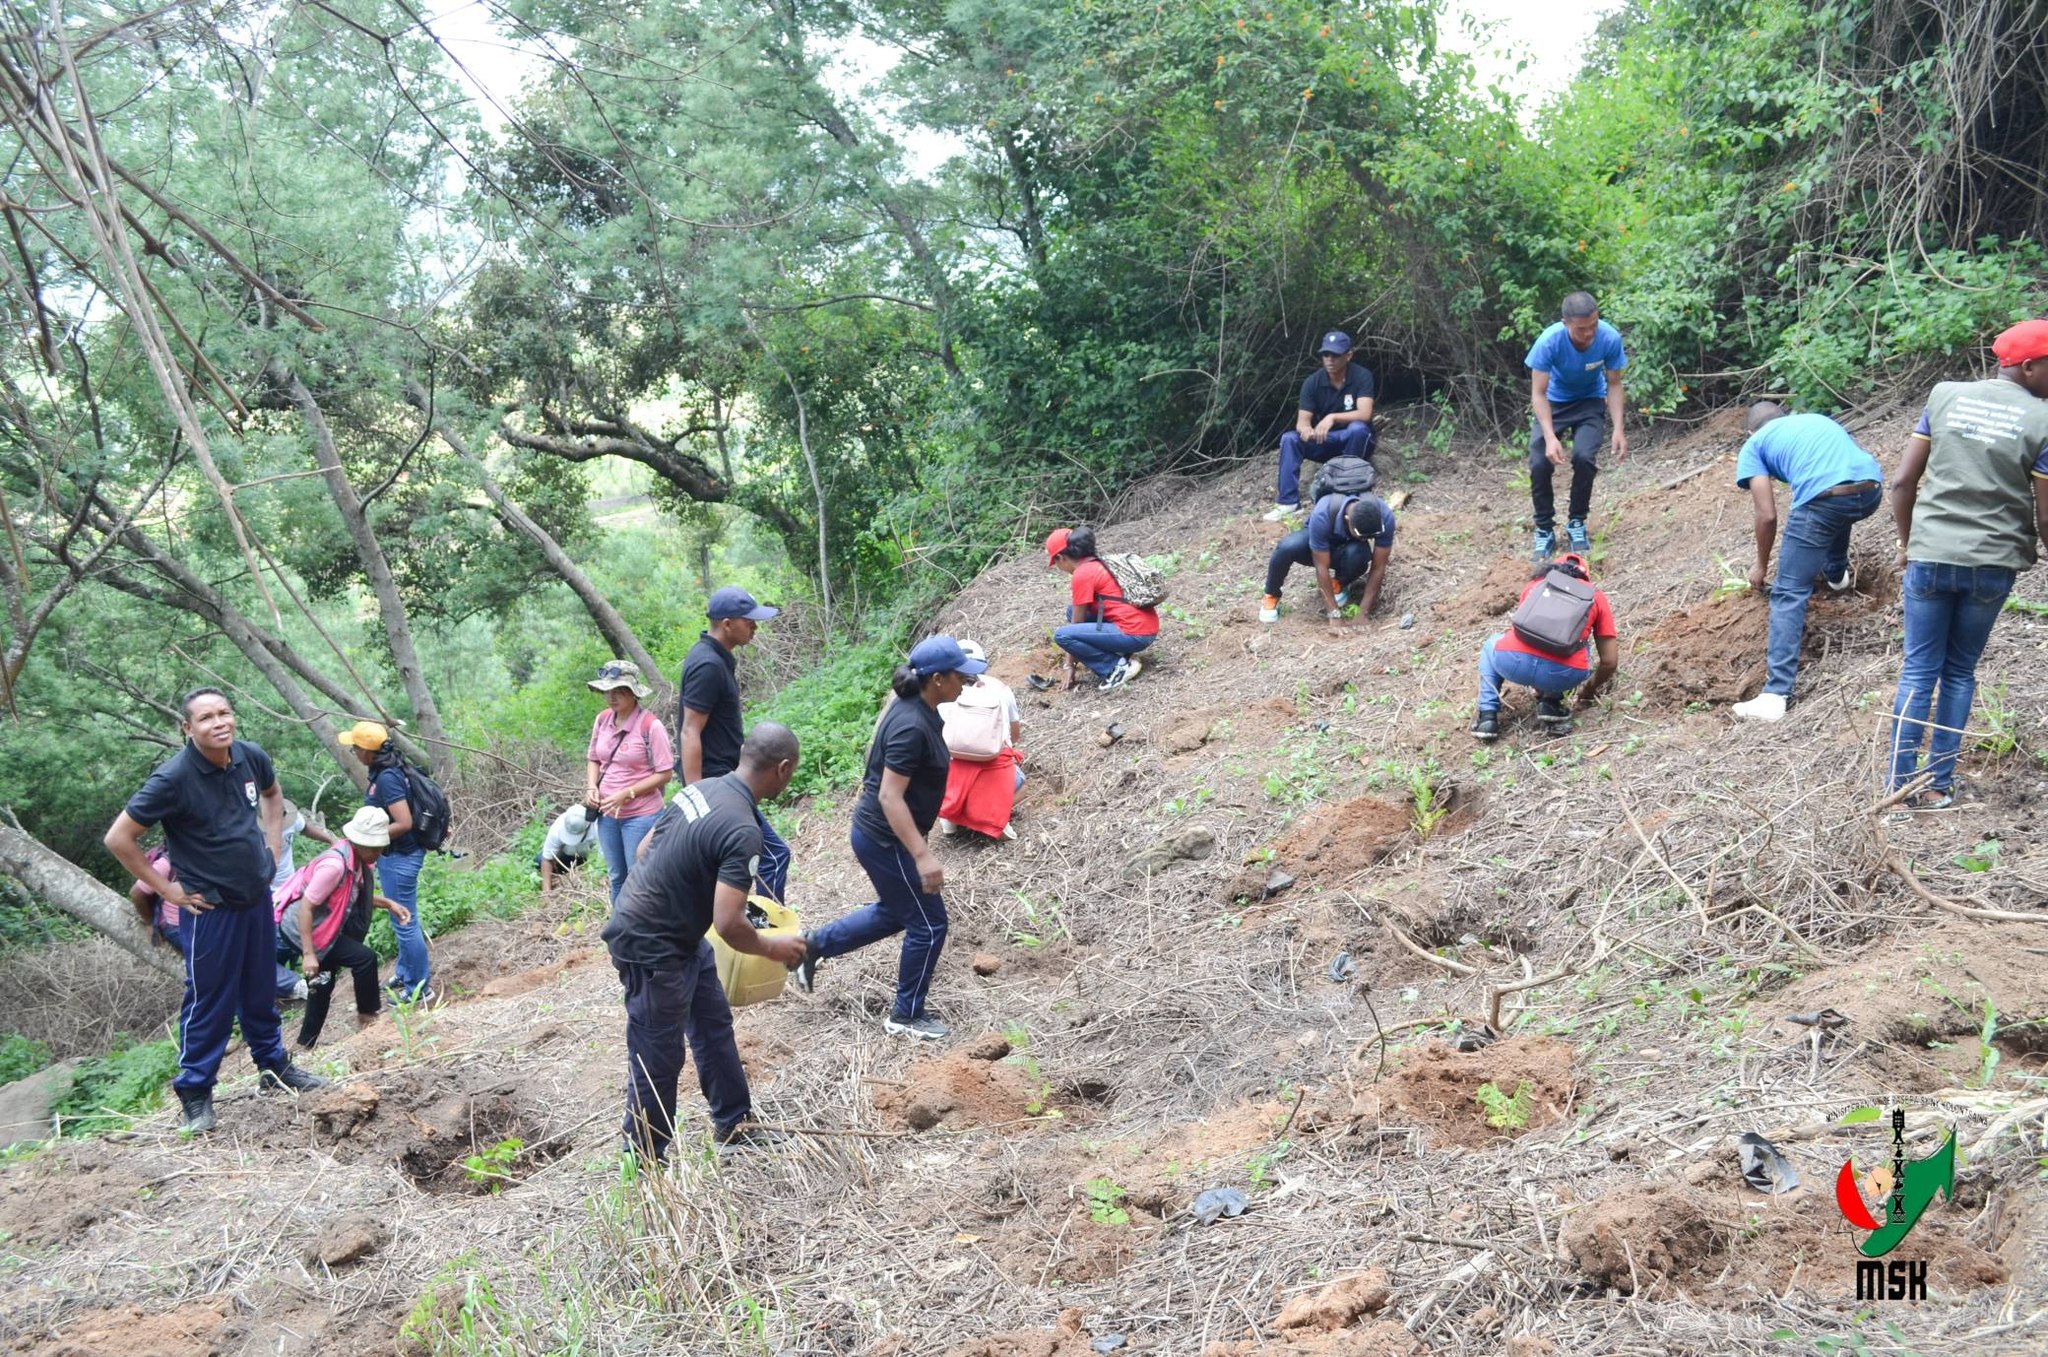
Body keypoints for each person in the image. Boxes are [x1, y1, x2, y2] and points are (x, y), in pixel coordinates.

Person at [103, 687, 329, 1134]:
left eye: (224, 712)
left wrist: (272, 843)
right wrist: (166, 890)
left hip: (254, 898)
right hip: (210, 909)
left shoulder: (249, 756)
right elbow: (118, 839)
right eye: (206, 718)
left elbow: (273, 794)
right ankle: (195, 1090)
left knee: (261, 988)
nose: (219, 722)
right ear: (188, 729)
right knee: (210, 1000)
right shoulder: (173, 779)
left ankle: (274, 1067)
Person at [601, 724, 806, 1161]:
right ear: (783, 769)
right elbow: (729, 923)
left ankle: (734, 1124)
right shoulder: (743, 829)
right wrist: (775, 948)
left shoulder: (701, 788)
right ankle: (641, 1162)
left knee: (712, 1025)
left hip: (679, 937)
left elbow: (644, 853)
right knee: (658, 1054)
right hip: (651, 946)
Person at [1885, 319, 2048, 811]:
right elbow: (2045, 513)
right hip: (1991, 564)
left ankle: (1897, 786)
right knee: (1958, 672)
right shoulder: (2043, 421)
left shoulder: (1944, 396)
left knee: (1917, 671)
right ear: (2029, 367)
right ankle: (1938, 785)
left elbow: (1901, 484)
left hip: (1930, 554)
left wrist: (1909, 543)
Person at [795, 636, 985, 1040]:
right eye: (960, 677)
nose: (965, 684)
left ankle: (812, 946)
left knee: (899, 912)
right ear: (937, 679)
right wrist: (922, 854)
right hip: (887, 840)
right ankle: (906, 1014)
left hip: (882, 835)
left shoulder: (920, 708)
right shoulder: (911, 724)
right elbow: (889, 795)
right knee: (930, 925)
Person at [1729, 405, 1884, 722]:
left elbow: (1767, 514)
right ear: (1786, 415)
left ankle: (1775, 695)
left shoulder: (1754, 445)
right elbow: (1846, 463)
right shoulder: (1816, 419)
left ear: (1750, 432)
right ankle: (1836, 575)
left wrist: (1760, 565)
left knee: (1788, 592)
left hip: (1824, 497)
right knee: (1837, 513)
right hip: (1871, 489)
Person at [677, 586, 790, 903]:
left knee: (727, 864)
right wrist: (697, 796)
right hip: (715, 784)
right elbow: (689, 731)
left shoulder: (716, 658)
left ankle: (738, 932)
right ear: (727, 624)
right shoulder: (708, 665)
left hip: (724, 779)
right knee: (774, 856)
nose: (755, 626)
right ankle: (767, 935)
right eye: (748, 620)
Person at [277, 807, 411, 1051]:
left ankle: (305, 1044)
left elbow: (351, 895)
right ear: (363, 844)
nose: (380, 853)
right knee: (364, 959)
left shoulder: (356, 861)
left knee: (323, 981)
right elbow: (306, 907)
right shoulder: (335, 866)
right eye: (377, 849)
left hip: (323, 927)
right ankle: (368, 1017)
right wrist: (308, 954)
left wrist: (389, 904)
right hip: (303, 929)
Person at [1470, 554, 1619, 742]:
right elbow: (1609, 661)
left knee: (1492, 643)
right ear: (1586, 576)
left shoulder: (1535, 585)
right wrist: (1588, 691)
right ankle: (1551, 702)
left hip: (1512, 663)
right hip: (1563, 675)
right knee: (1579, 643)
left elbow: (1526, 634)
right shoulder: (1595, 596)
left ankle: (1487, 716)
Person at [1526, 292, 1629, 559]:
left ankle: (1576, 522)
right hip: (1555, 403)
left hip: (1590, 401)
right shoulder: (1549, 342)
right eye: (1582, 329)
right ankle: (1544, 529)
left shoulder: (1609, 338)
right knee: (1539, 463)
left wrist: (1618, 428)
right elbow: (1538, 393)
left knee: (1584, 457)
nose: (1589, 334)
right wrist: (1549, 436)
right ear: (1565, 323)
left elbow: (1615, 383)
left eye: (1593, 325)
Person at [337, 721, 433, 1004]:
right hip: (397, 855)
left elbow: (404, 822)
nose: (353, 751)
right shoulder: (386, 770)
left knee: (405, 920)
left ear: (367, 751)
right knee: (400, 917)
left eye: (355, 747)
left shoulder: (387, 778)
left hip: (401, 856)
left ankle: (419, 989)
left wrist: (367, 839)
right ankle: (406, 972)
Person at [1262, 330, 1377, 521]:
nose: (1330, 359)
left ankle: (1349, 489)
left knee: (1358, 429)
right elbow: (1302, 422)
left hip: (1353, 440)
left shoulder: (1361, 376)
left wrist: (1332, 417)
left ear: (1349, 355)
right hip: (1326, 440)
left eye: (1336, 355)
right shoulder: (1312, 382)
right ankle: (1288, 503)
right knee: (1290, 438)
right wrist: (1306, 431)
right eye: (1326, 354)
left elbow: (1365, 414)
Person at [585, 660, 674, 903]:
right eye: (608, 691)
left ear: (633, 693)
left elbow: (665, 773)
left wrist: (628, 793)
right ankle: (620, 934)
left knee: (640, 876)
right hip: (607, 814)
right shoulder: (602, 720)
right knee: (617, 877)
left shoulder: (650, 726)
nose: (611, 697)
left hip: (641, 815)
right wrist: (592, 786)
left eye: (619, 691)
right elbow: (594, 758)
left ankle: (644, 931)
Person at [1257, 491, 1397, 630]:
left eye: (1371, 537)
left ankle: (1338, 583)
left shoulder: (1385, 516)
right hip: (1320, 545)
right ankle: (1271, 595)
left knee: (1359, 553)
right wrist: (1334, 614)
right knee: (1288, 546)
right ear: (1348, 519)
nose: (1367, 540)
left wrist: (1363, 612)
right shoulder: (1322, 514)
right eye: (1362, 536)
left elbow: (1379, 566)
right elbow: (1321, 566)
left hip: (1349, 549)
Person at [1046, 527, 1158, 691]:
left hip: (1135, 633)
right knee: (1071, 611)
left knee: (1062, 635)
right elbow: (1077, 616)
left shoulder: (1082, 574)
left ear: (1060, 557)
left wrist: (1069, 666)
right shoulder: (1099, 562)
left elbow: (1076, 625)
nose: (1058, 567)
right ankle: (1121, 654)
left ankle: (1116, 667)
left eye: (1055, 563)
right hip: (1146, 625)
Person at [937, 639, 1024, 841]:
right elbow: (1015, 734)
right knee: (1020, 781)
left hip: (949, 774)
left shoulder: (944, 694)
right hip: (994, 764)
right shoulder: (1000, 688)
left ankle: (952, 818)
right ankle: (991, 814)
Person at [265, 800, 337, 1002]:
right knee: (271, 945)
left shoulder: (290, 817)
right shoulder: (253, 828)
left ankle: (300, 982)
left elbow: (305, 829)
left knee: (289, 937)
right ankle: (291, 985)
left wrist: (330, 839)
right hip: (264, 891)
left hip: (290, 887)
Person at [537, 802, 600, 891]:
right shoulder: (557, 828)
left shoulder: (598, 828)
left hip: (592, 860)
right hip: (570, 857)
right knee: (539, 860)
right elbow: (547, 859)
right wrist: (546, 893)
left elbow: (604, 861)